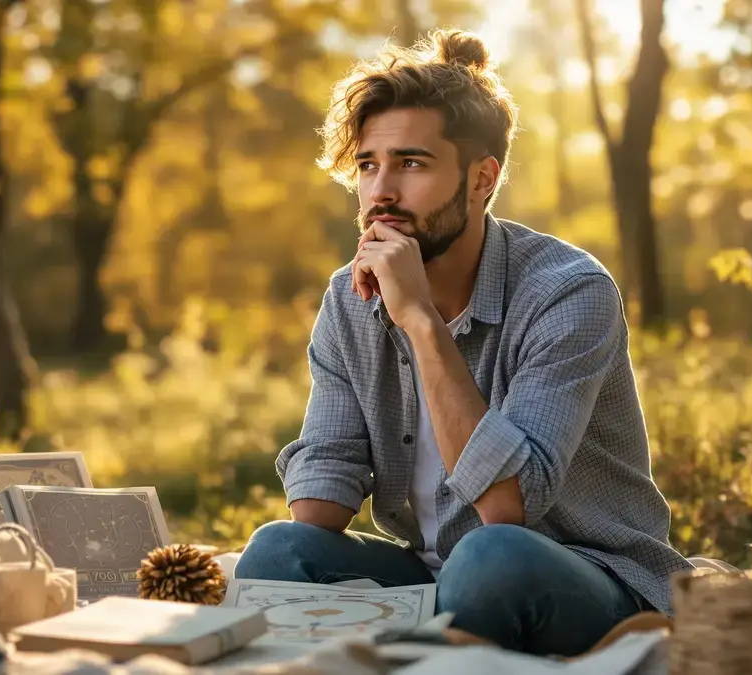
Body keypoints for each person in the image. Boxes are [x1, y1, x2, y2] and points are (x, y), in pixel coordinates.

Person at [231, 27, 694, 656]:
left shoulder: (567, 292)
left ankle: (415, 650)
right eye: (369, 166)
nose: (381, 193)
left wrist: (420, 321)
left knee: (491, 557)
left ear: (482, 180)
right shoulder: (349, 296)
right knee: (276, 549)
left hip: (587, 573)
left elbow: (507, 507)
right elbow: (318, 511)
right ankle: (409, 650)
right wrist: (316, 510)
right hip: (434, 575)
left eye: (411, 164)